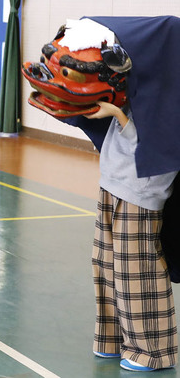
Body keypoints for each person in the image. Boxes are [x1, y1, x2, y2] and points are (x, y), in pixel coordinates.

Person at [86, 101, 177, 372]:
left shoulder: (167, 71)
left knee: (136, 271)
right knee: (105, 263)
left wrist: (117, 113)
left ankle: (152, 352)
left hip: (142, 184)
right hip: (114, 176)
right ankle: (112, 337)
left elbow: (166, 130)